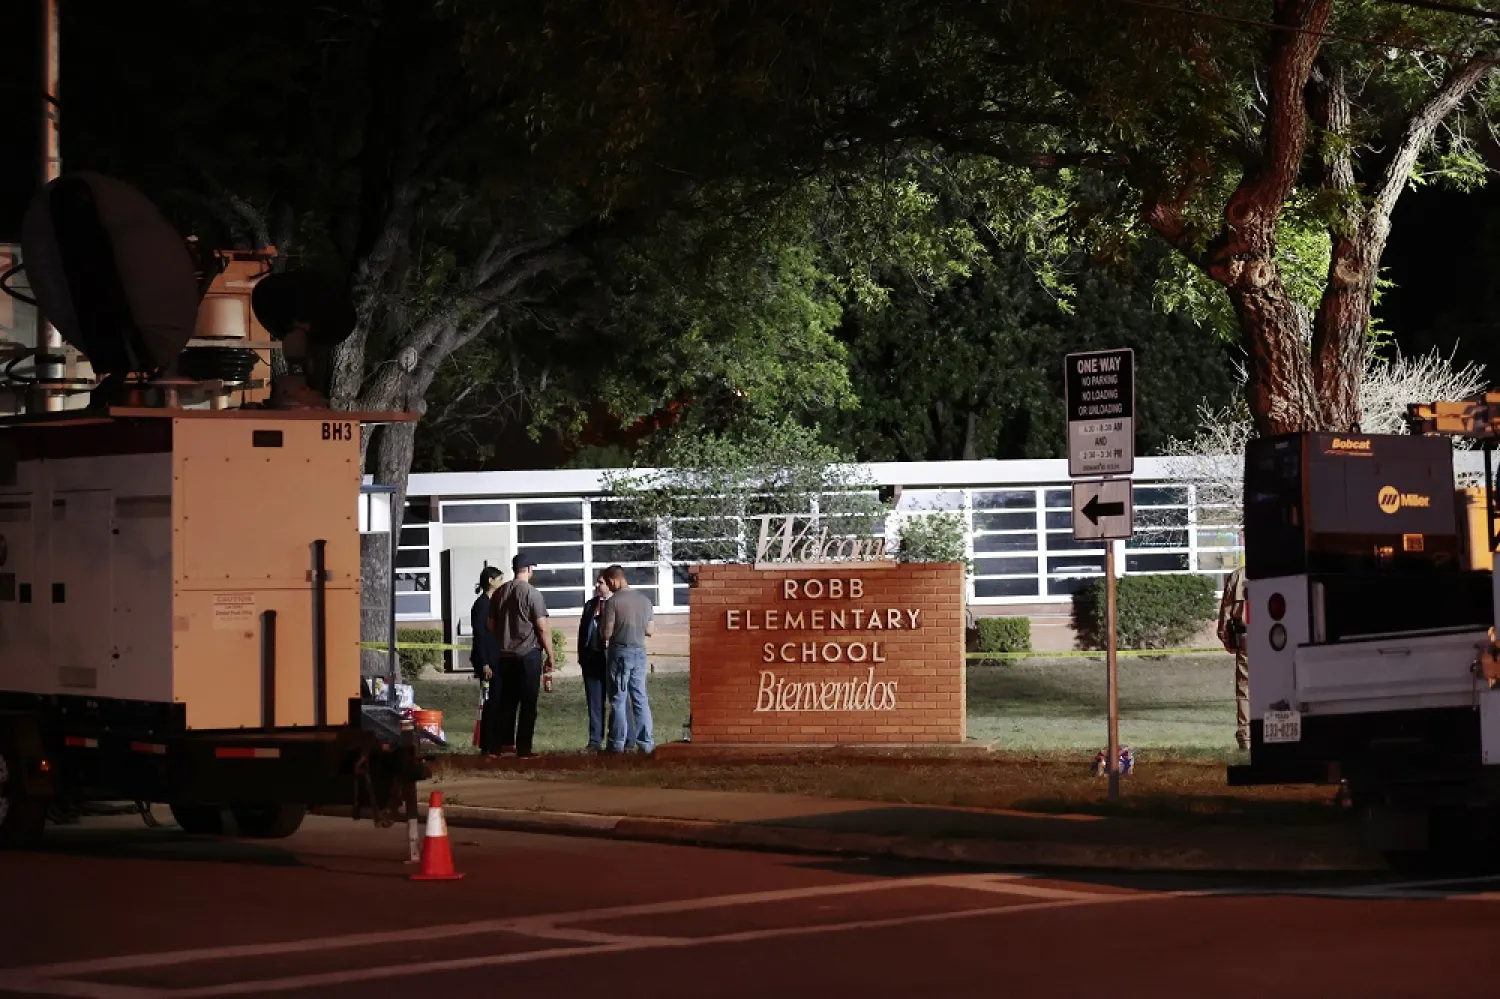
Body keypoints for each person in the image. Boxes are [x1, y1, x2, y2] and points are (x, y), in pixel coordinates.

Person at [486, 553, 555, 757]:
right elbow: (542, 627)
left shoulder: (499, 592)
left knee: (506, 702)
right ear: (529, 569)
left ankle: (499, 745)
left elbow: (490, 625)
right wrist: (550, 655)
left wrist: (503, 637)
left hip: (504, 655)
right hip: (527, 654)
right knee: (528, 702)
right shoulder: (532, 593)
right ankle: (524, 749)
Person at [600, 564, 655, 754]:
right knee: (640, 698)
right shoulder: (645, 600)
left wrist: (602, 628)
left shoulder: (613, 602)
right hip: (639, 651)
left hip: (620, 653)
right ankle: (646, 745)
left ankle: (617, 745)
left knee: (618, 699)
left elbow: (607, 633)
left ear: (613, 580)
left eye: (608, 582)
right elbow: (650, 631)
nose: (608, 586)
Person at [577, 573, 612, 751]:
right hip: (592, 658)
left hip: (611, 659)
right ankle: (595, 741)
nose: (597, 586)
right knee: (594, 702)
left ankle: (619, 740)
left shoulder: (616, 603)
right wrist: (581, 656)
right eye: (596, 583)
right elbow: (582, 630)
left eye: (601, 583)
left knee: (617, 702)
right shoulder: (591, 605)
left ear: (610, 583)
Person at [470, 566, 503, 753]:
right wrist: (484, 663)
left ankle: (494, 741)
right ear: (490, 581)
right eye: (499, 579)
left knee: (497, 701)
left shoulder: (493, 603)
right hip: (488, 661)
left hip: (496, 658)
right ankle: (487, 744)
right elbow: (480, 635)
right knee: (491, 702)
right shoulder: (482, 604)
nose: (501, 583)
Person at [1217, 559, 1250, 751]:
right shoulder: (1277, 572)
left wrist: (1227, 639)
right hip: (1276, 639)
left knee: (1245, 689)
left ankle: (1246, 738)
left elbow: (1225, 616)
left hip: (1246, 639)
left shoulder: (1237, 576)